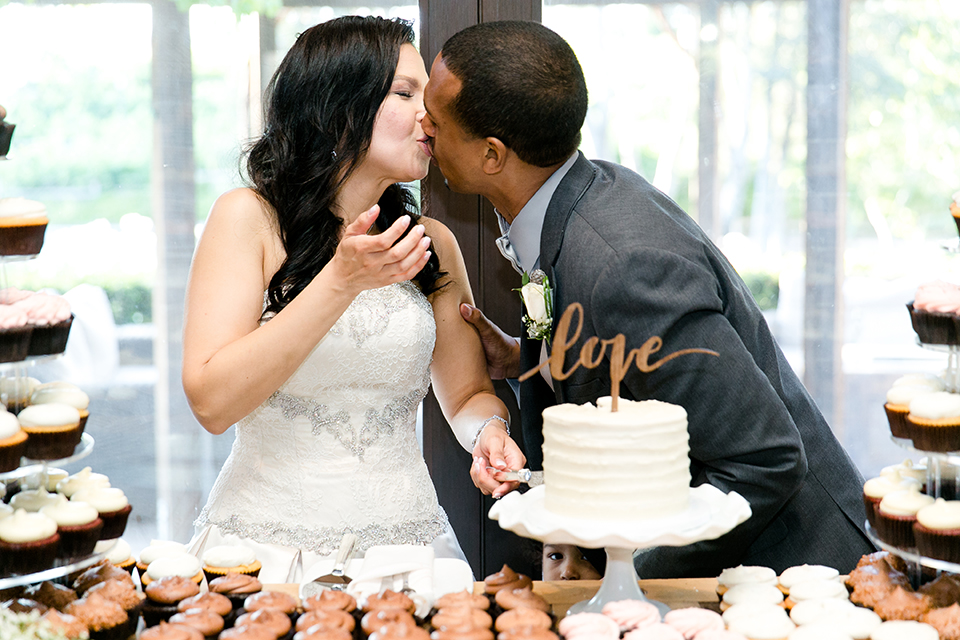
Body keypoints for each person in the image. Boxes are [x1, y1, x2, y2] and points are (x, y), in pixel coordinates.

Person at [419, 20, 875, 577]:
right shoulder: (574, 195)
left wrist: (625, 582)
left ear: (493, 154)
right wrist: (530, 357)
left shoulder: (625, 267)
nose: (423, 127)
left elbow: (764, 460)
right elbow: (627, 353)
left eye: (435, 120)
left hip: (795, 570)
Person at [181, 15, 524, 583]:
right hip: (265, 552)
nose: (429, 115)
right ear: (338, 104)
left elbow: (466, 395)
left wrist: (489, 434)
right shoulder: (249, 219)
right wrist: (339, 282)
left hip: (408, 550)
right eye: (405, 92)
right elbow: (212, 403)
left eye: (429, 96)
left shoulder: (431, 241)